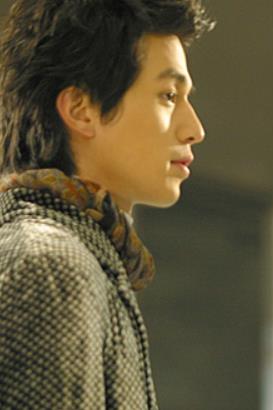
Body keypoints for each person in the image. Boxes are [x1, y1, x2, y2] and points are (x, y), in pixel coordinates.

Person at [0, 0, 211, 408]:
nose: (195, 129)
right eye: (169, 95)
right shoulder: (53, 266)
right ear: (81, 110)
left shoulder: (78, 257)